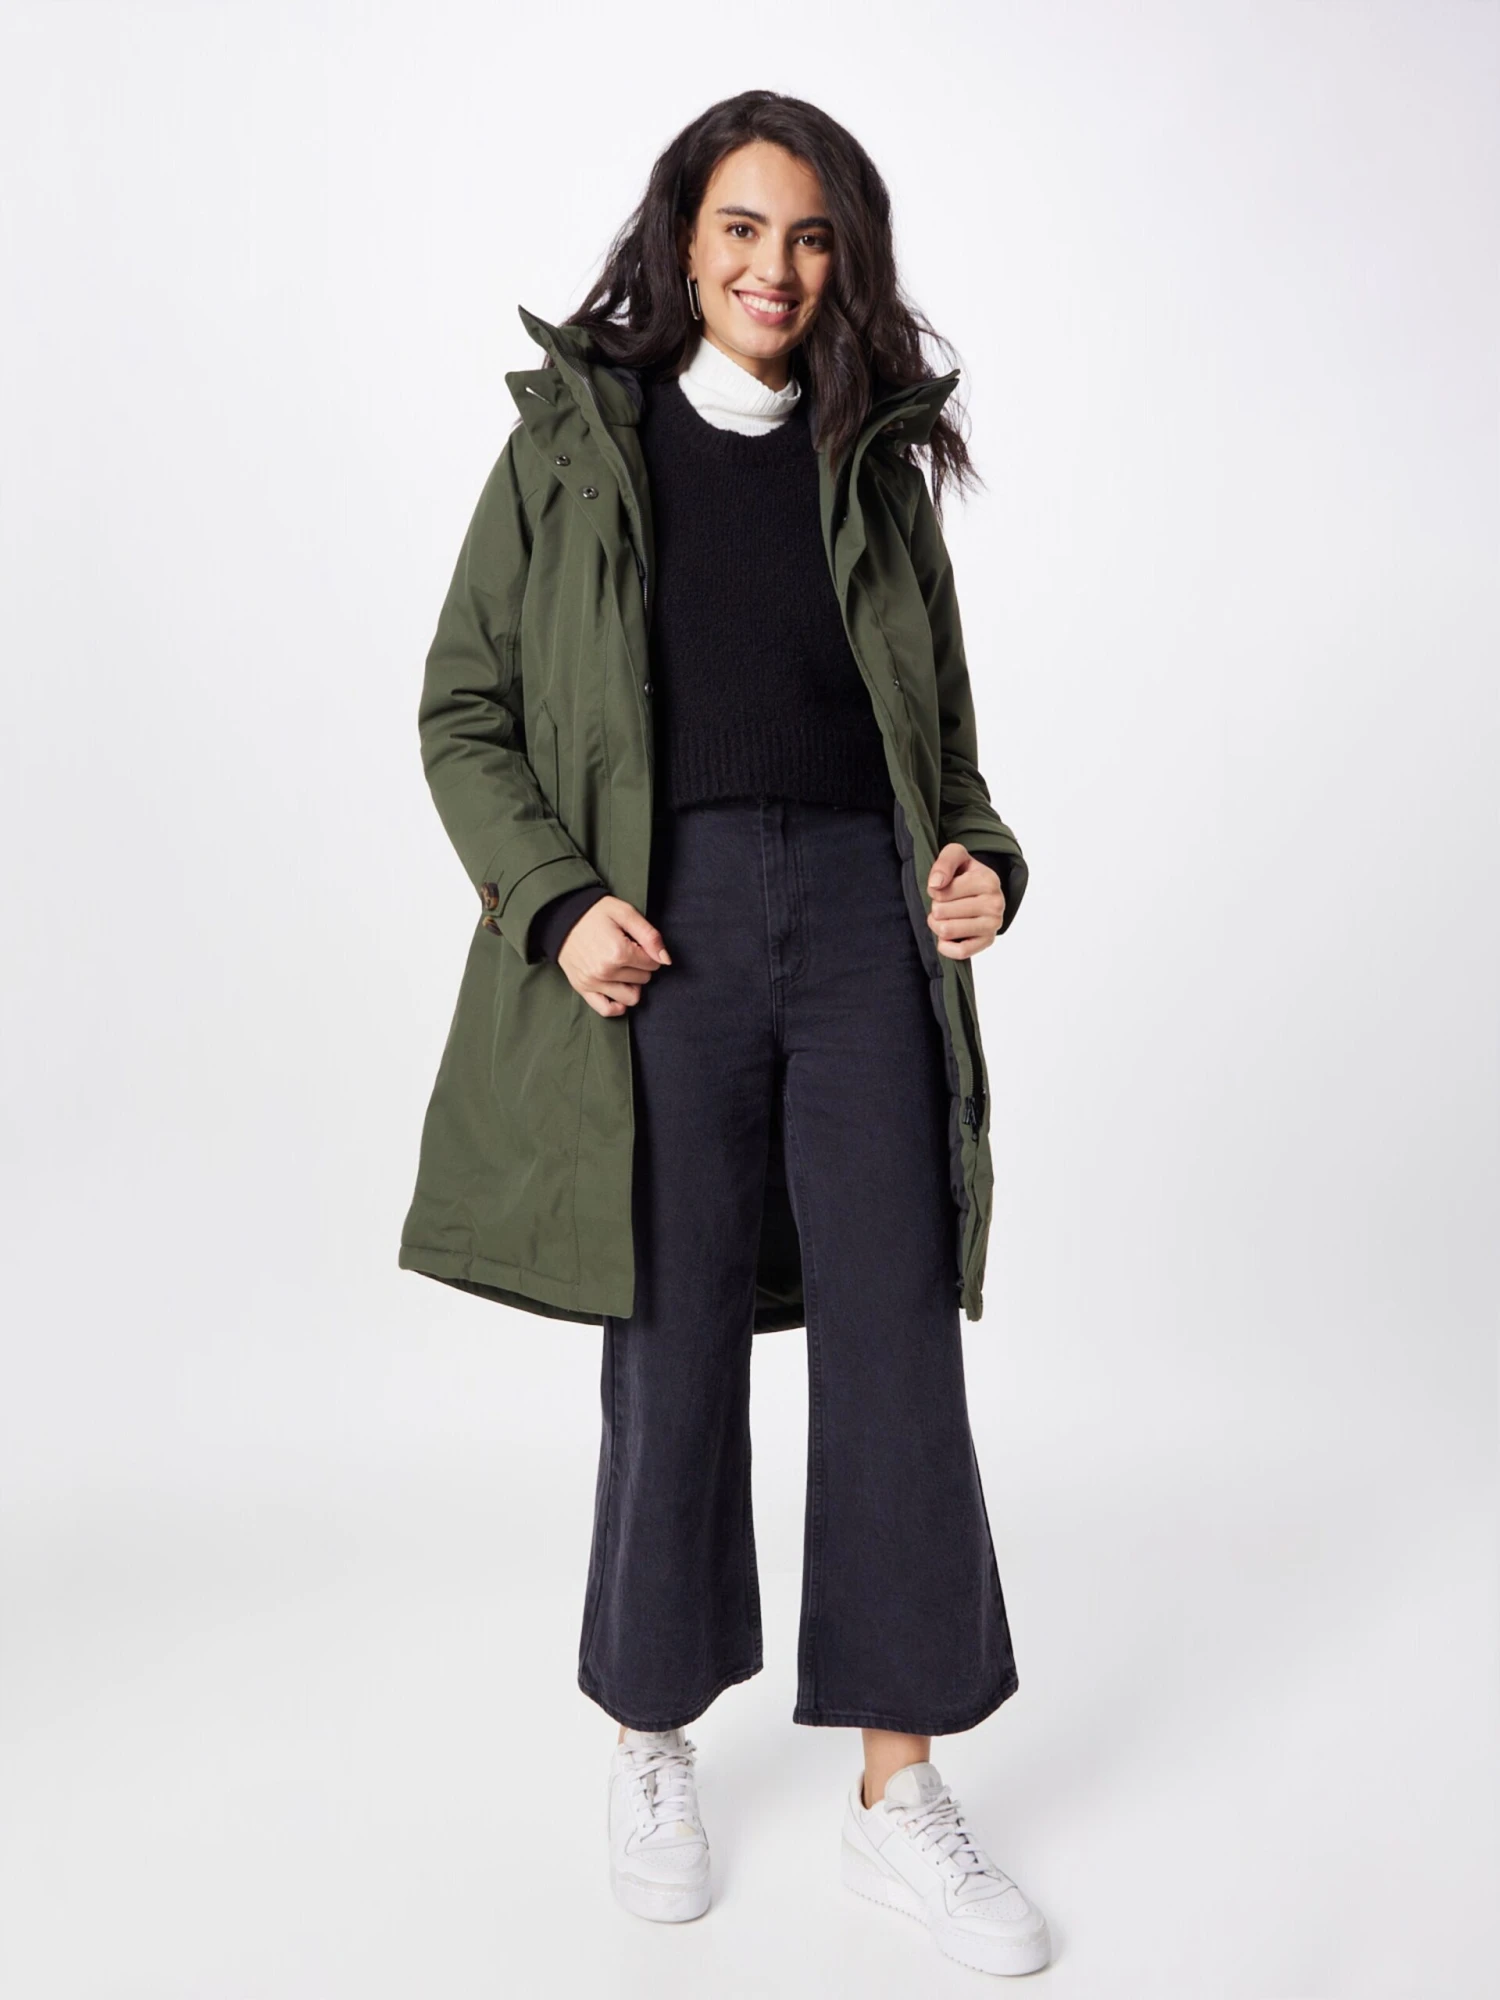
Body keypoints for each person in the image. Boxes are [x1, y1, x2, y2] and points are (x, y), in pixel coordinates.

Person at [399, 90, 1051, 1978]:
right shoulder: (572, 445)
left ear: (847, 264)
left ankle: (897, 1791)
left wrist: (982, 866)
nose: (778, 268)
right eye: (746, 228)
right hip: (661, 924)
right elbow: (463, 710)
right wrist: (557, 901)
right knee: (671, 1335)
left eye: (813, 237)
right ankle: (651, 1739)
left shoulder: (877, 463)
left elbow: (948, 752)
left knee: (895, 1335)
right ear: (684, 238)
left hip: (861, 922)